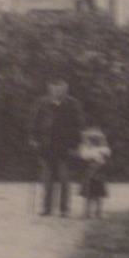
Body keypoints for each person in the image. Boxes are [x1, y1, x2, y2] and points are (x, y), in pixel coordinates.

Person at [29, 76, 83, 216]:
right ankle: (46, 208)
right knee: (47, 179)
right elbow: (34, 122)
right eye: (55, 86)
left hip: (65, 146)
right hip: (46, 146)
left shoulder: (73, 104)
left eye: (62, 87)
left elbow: (78, 126)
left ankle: (64, 209)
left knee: (64, 178)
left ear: (66, 88)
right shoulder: (41, 103)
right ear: (49, 87)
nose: (58, 90)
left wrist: (77, 145)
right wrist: (34, 139)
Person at [76, 126, 111, 218]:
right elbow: (84, 155)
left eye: (95, 139)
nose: (93, 141)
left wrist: (101, 146)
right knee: (88, 192)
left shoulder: (103, 148)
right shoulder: (86, 148)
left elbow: (107, 153)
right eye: (91, 139)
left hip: (98, 172)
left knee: (99, 192)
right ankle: (86, 211)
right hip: (90, 171)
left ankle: (98, 211)